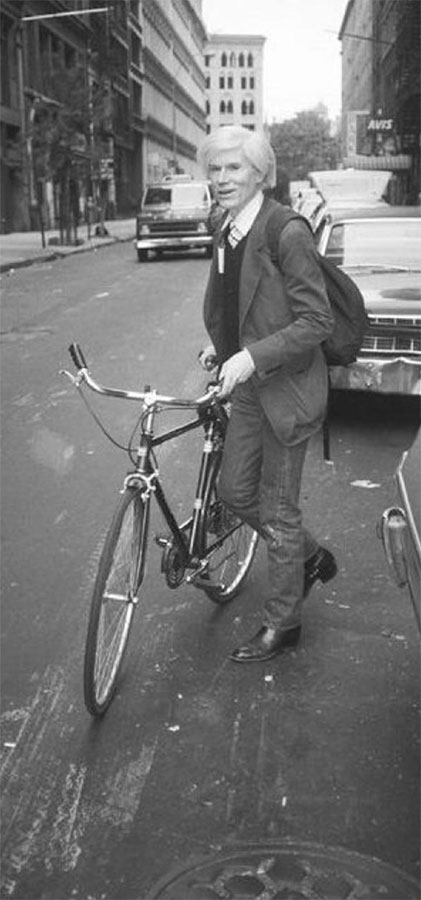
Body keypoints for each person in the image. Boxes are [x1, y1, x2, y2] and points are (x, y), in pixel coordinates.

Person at [198, 125, 337, 663]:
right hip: (252, 387)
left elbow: (316, 320)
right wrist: (225, 348)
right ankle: (311, 556)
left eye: (234, 168)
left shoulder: (287, 230)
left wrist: (251, 355)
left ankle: (285, 624)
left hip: (289, 390)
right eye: (215, 169)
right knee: (234, 494)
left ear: (259, 173)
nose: (222, 178)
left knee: (278, 512)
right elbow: (240, 304)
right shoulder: (227, 228)